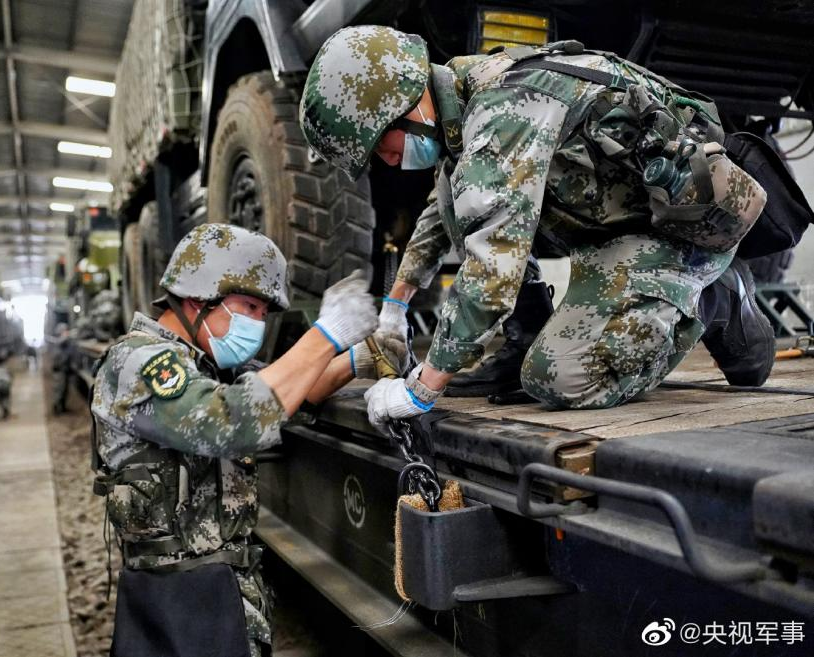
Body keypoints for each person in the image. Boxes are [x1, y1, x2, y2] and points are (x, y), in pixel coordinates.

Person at [299, 26, 774, 433]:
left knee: (562, 376)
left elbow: (491, 272)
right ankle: (521, 336)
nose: (388, 162)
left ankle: (714, 297)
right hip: (612, 226)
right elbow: (442, 210)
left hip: (678, 233)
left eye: (381, 145)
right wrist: (396, 307)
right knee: (455, 186)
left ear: (402, 104)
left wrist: (422, 388)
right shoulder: (459, 92)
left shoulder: (504, 109)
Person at [90, 223, 377, 657]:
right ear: (196, 298)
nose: (257, 324)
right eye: (249, 306)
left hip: (219, 588)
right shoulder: (139, 360)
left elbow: (294, 393)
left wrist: (362, 356)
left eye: (264, 313)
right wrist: (327, 333)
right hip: (175, 597)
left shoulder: (204, 365)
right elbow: (230, 419)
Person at [49, 323, 73, 414]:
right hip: (59, 370)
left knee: (64, 390)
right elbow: (62, 341)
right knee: (59, 389)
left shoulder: (62, 342)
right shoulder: (58, 341)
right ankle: (56, 408)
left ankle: (62, 407)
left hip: (64, 369)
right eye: (65, 331)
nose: (67, 332)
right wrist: (66, 335)